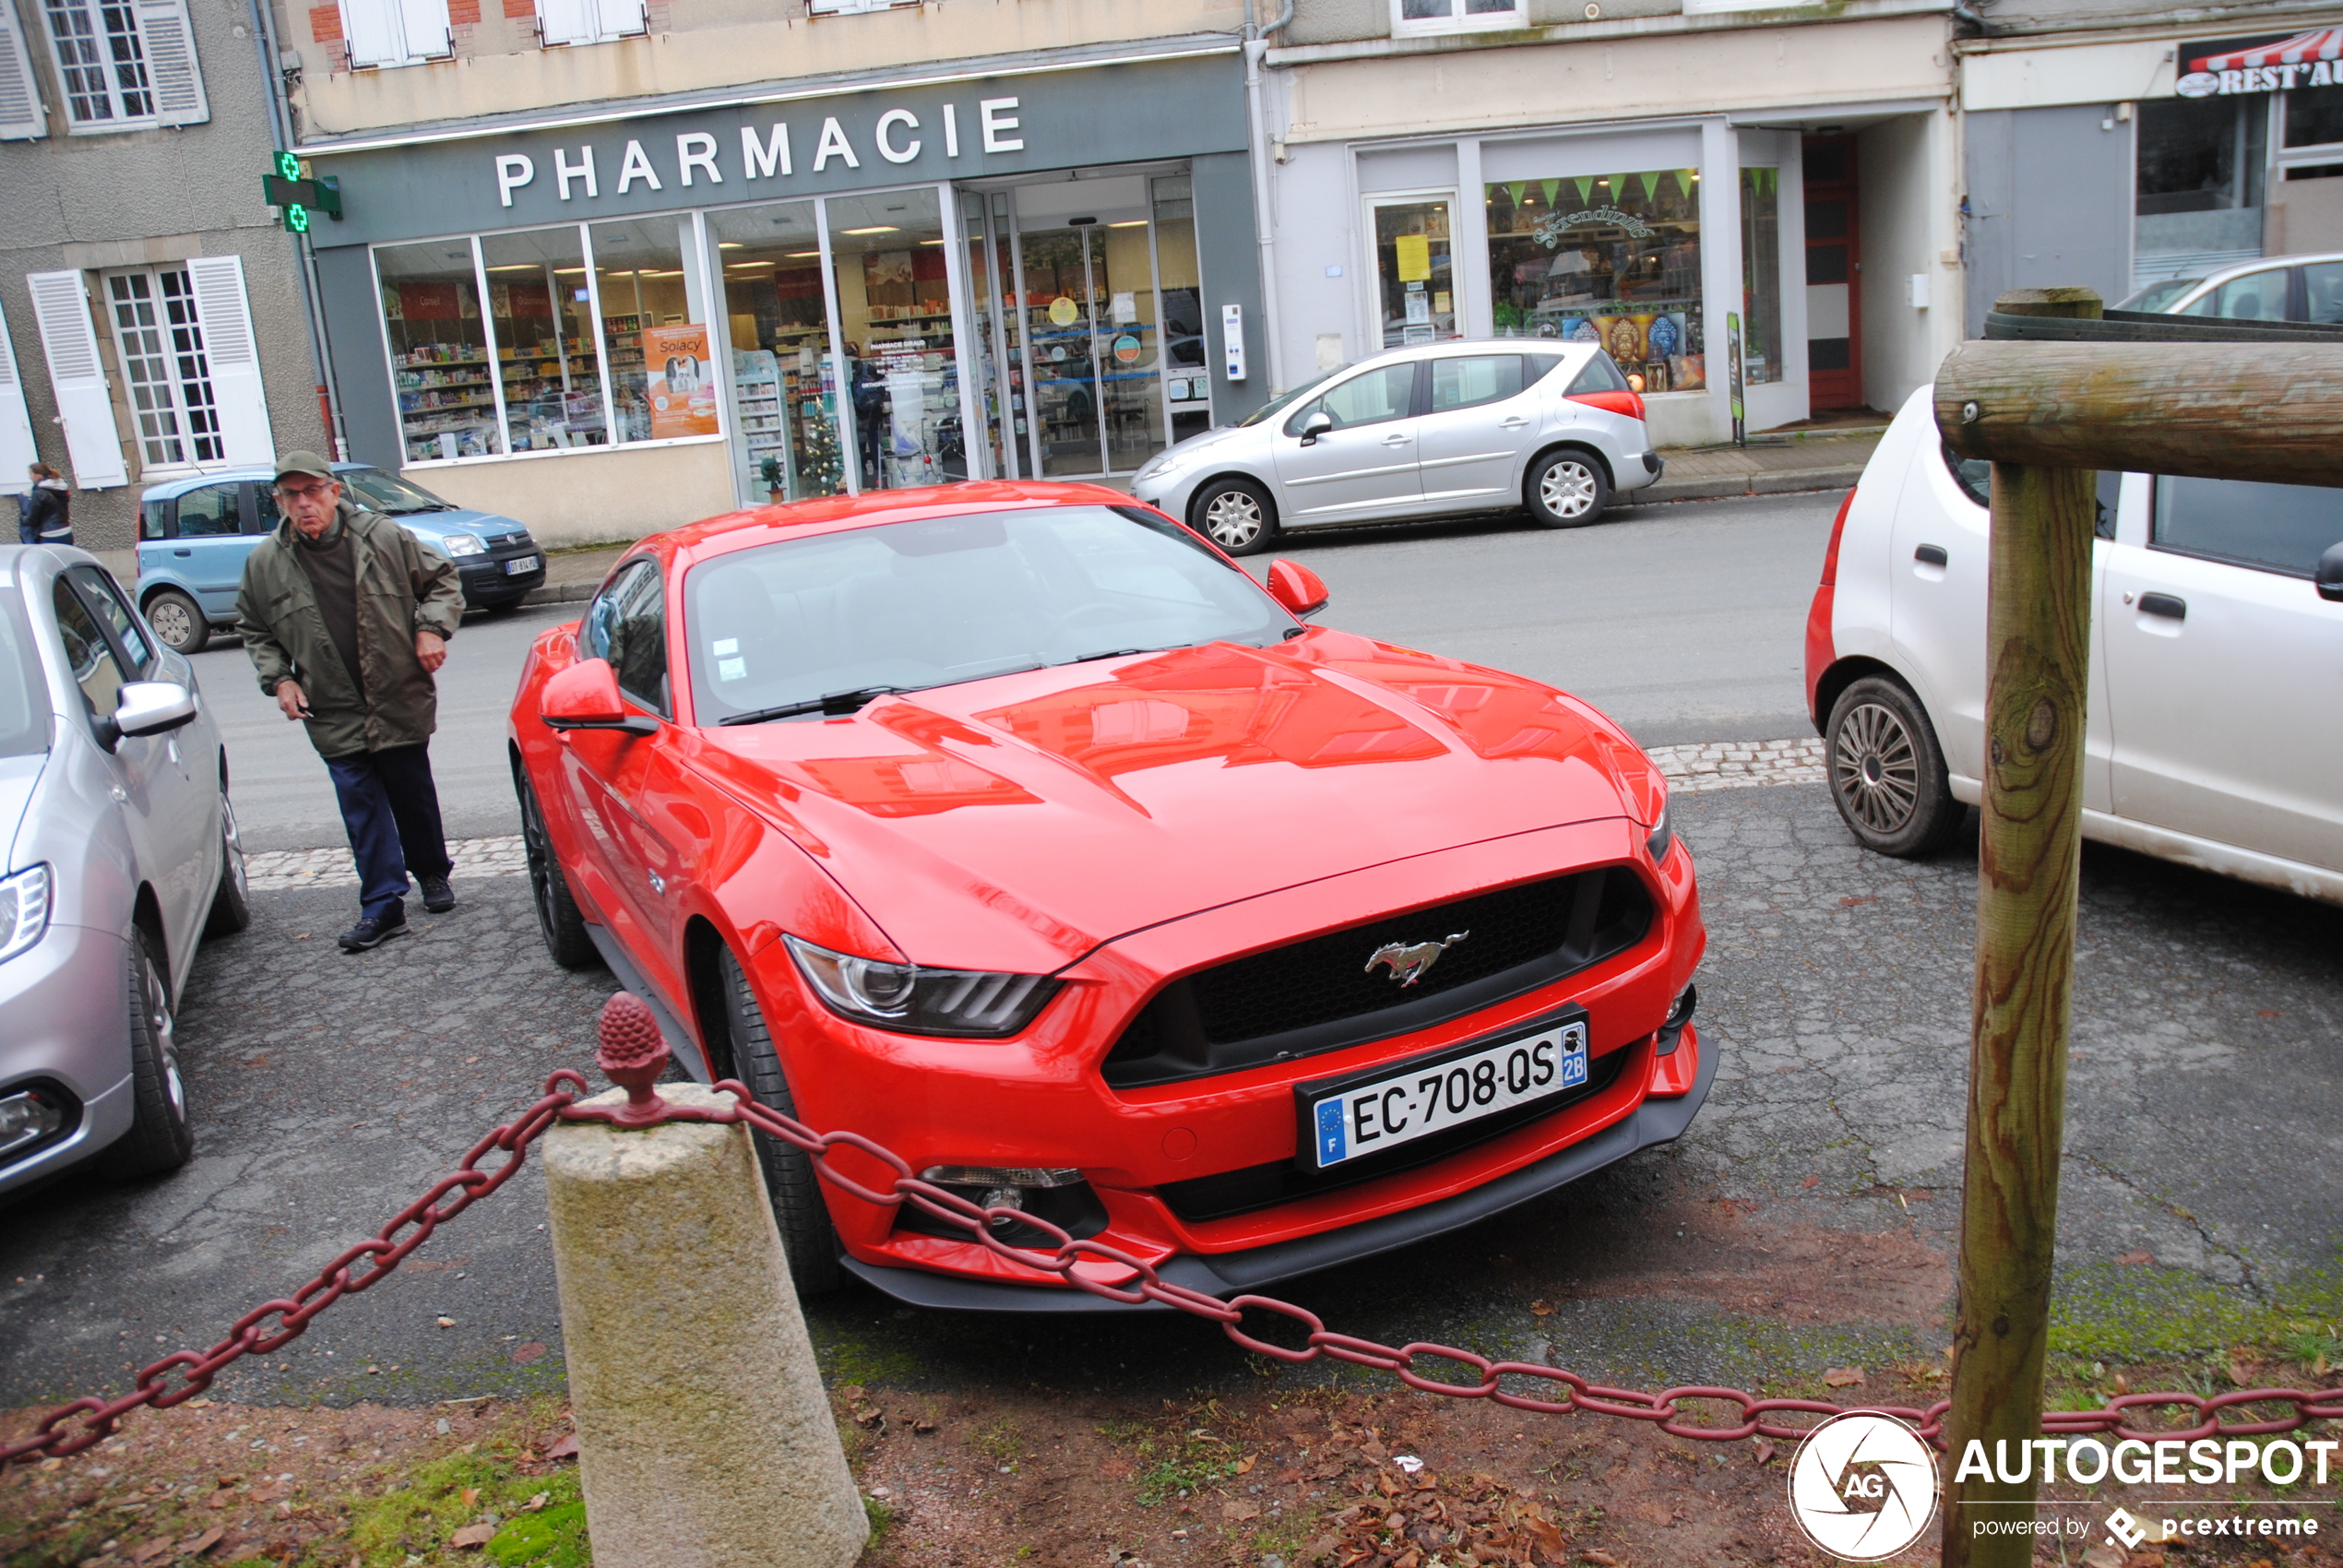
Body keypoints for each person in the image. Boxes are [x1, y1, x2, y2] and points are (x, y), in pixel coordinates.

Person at [235, 452, 465, 952]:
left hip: (396, 691)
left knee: (411, 792)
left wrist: (430, 630)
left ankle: (430, 871)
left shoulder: (383, 537)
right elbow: (255, 628)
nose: (303, 503)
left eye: (312, 491)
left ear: (334, 492)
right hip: (330, 704)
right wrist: (279, 680)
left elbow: (443, 579)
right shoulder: (266, 563)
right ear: (279, 502)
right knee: (361, 806)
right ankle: (383, 905)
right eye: (291, 496)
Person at [18, 463, 69, 546]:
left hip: (49, 534)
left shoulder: (39, 493)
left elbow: (33, 520)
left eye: (31, 474)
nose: (30, 477)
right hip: (66, 531)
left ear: (37, 476)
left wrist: (22, 518)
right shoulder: (61, 487)